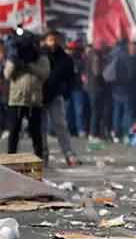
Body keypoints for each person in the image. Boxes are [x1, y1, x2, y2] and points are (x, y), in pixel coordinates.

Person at [5, 30, 49, 159]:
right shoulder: (14, 56)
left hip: (34, 101)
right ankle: (11, 159)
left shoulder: (41, 58)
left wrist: (29, 66)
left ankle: (39, 158)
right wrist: (15, 62)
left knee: (36, 133)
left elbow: (45, 74)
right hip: (16, 100)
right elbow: (7, 74)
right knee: (14, 131)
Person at [41, 30, 79, 166]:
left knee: (60, 125)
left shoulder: (65, 58)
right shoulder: (39, 55)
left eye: (55, 40)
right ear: (45, 40)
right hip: (39, 97)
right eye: (50, 39)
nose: (53, 43)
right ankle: (43, 155)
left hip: (56, 95)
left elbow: (71, 78)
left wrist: (66, 92)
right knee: (41, 128)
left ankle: (68, 154)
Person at [104, 38, 135, 143]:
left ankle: (116, 133)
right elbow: (130, 72)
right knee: (127, 110)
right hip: (125, 85)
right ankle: (128, 133)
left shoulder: (110, 55)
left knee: (117, 109)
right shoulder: (125, 55)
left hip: (113, 85)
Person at [85, 43, 109, 141]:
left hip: (91, 87)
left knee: (94, 111)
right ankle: (94, 133)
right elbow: (97, 72)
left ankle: (93, 132)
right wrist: (104, 79)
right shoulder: (96, 56)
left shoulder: (89, 56)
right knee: (97, 111)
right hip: (97, 87)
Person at [65, 41, 88, 138]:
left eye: (74, 49)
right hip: (68, 89)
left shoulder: (82, 61)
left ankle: (80, 129)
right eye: (70, 49)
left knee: (79, 110)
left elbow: (84, 74)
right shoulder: (65, 60)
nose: (72, 51)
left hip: (78, 88)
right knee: (68, 111)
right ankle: (70, 130)